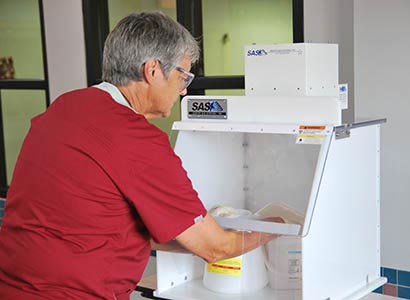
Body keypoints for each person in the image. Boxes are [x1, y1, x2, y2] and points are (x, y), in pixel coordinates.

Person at [0, 12, 277, 300]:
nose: (183, 91)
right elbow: (215, 249)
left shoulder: (63, 108)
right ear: (153, 70)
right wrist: (277, 227)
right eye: (183, 76)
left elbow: (106, 221)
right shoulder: (134, 137)